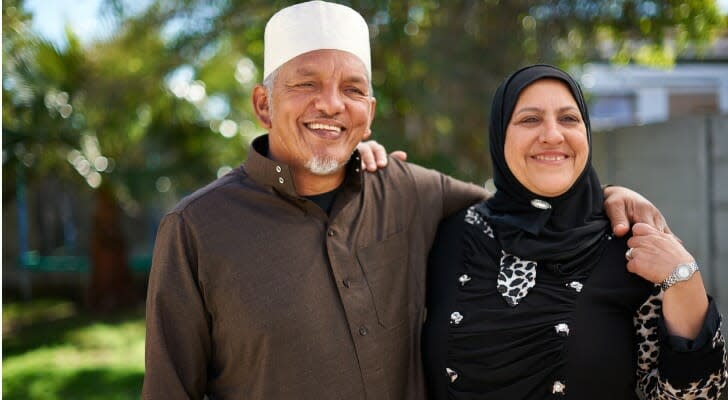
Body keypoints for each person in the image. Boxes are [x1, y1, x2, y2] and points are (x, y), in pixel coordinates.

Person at [142, 2, 671, 399]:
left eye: (352, 89)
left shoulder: (409, 190)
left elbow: (523, 200)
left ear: (368, 112)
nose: (331, 103)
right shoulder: (196, 228)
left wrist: (608, 195)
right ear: (263, 104)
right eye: (306, 84)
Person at [422, 64, 727, 399]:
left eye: (568, 118)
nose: (553, 134)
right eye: (530, 119)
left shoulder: (630, 244)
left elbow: (692, 396)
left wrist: (684, 280)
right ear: (499, 134)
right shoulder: (447, 236)